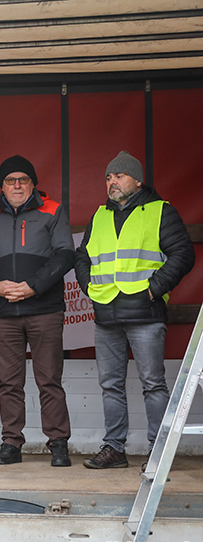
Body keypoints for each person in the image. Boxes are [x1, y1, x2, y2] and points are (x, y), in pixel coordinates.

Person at [75, 151, 194, 469]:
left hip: (145, 314)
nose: (111, 181)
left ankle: (159, 452)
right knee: (110, 385)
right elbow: (82, 257)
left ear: (137, 180)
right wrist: (90, 288)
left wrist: (154, 289)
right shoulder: (99, 216)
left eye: (119, 175)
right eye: (108, 177)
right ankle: (114, 449)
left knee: (153, 383)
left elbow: (183, 254)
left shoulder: (159, 212)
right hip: (106, 315)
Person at [0, 155, 75, 467]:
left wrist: (33, 286)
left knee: (49, 380)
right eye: (10, 180)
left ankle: (57, 443)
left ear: (33, 184)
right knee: (9, 383)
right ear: (1, 186)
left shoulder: (52, 210)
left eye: (23, 180)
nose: (17, 185)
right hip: (3, 312)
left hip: (44, 309)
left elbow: (65, 254)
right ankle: (11, 443)